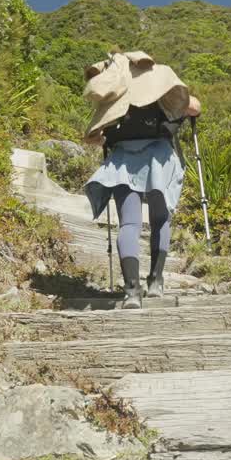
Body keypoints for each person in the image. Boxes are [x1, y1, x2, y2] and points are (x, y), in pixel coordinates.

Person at [80, 51, 201, 309]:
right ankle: (155, 282)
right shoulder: (159, 79)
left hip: (123, 159)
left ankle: (132, 292)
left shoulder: (113, 88)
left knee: (129, 225)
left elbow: (97, 134)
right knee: (160, 219)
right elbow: (194, 107)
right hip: (159, 157)